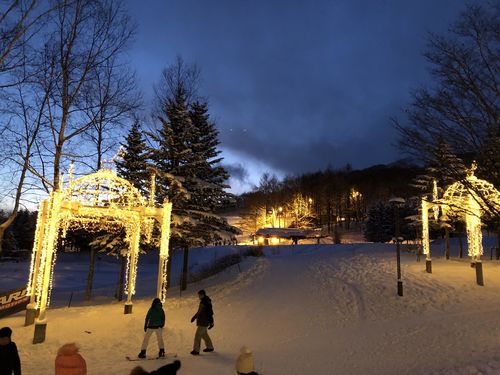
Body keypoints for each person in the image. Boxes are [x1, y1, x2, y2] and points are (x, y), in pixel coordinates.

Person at [190, 289, 214, 355]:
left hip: (204, 322)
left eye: (200, 295)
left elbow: (210, 313)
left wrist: (212, 322)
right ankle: (210, 347)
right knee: (204, 335)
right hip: (202, 321)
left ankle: (196, 350)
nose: (199, 296)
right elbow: (199, 311)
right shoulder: (203, 301)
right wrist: (194, 317)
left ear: (203, 295)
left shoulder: (206, 302)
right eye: (199, 295)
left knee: (197, 335)